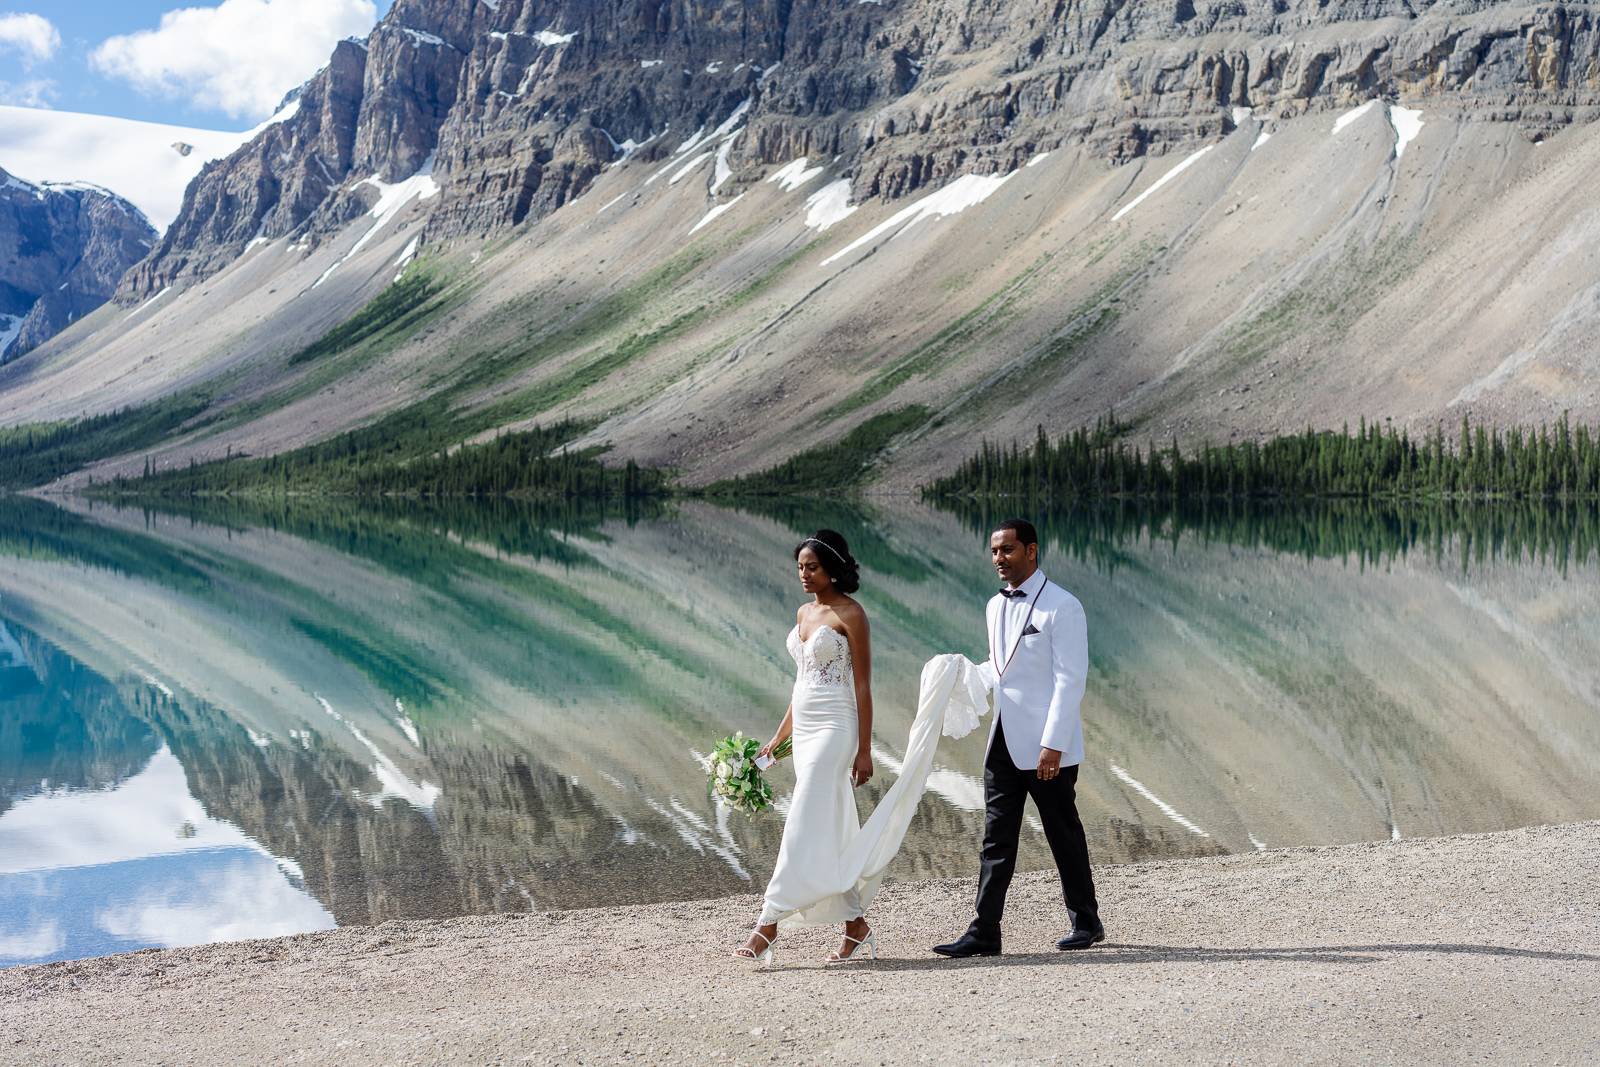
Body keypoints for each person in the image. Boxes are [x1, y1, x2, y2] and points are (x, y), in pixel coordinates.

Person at [932, 518, 1103, 957]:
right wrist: (959, 677)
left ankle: (1087, 922)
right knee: (996, 837)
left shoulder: (1064, 606)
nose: (998, 560)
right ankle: (985, 930)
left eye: (1007, 550)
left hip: (1048, 746)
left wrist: (1054, 744)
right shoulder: (994, 605)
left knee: (1062, 833)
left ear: (1032, 551)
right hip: (1003, 740)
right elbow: (1000, 665)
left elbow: (1070, 680)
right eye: (994, 552)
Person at [734, 529, 878, 965]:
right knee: (825, 823)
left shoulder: (852, 614)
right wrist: (779, 739)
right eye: (799, 567)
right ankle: (855, 924)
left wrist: (865, 750)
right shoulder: (802, 612)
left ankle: (768, 923)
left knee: (802, 816)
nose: (804, 574)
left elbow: (864, 686)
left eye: (812, 567)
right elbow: (803, 683)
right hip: (807, 724)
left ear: (833, 568)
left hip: (838, 725)